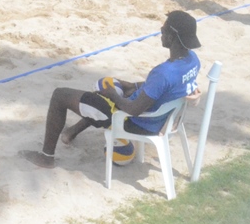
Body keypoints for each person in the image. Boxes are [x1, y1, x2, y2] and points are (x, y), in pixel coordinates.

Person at [22, 11, 202, 168]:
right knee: (104, 85)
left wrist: (113, 95)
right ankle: (71, 132)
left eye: (164, 28)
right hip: (157, 118)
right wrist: (133, 86)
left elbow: (134, 109)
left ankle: (46, 158)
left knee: (60, 95)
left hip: (133, 121)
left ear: (172, 36)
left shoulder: (164, 73)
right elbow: (164, 87)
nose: (161, 31)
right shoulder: (192, 61)